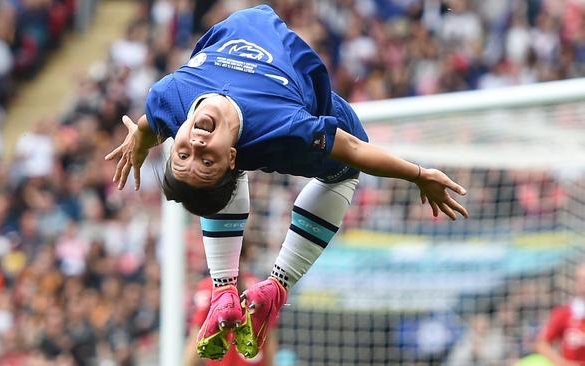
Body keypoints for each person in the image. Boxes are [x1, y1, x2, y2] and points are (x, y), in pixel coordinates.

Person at [105, 5, 468, 361]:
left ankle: (226, 293)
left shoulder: (167, 99)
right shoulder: (285, 126)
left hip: (261, 108)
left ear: (175, 137)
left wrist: (139, 140)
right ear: (230, 156)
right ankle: (277, 284)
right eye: (207, 159)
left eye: (183, 155)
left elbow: (150, 124)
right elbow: (355, 148)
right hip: (320, 122)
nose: (196, 147)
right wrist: (419, 174)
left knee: (211, 183)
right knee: (342, 176)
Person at [184, 243, 276, 366]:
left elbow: (196, 339)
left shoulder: (210, 289)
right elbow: (269, 339)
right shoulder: (260, 288)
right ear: (246, 254)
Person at [536, 264, 585, 366]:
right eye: (580, 279)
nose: (582, 282)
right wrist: (563, 363)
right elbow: (541, 344)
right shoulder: (564, 313)